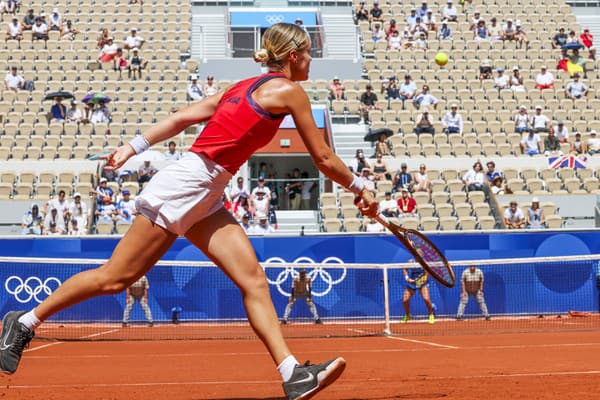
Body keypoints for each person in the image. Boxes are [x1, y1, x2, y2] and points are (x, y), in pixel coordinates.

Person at [0, 25, 373, 398]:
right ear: (293, 56)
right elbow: (323, 157)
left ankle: (292, 372)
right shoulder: (290, 91)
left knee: (253, 279)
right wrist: (361, 188)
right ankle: (25, 321)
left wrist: (133, 147)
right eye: (308, 53)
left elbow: (181, 117)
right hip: (187, 185)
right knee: (115, 278)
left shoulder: (240, 87)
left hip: (207, 194)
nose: (311, 60)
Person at [400, 259, 435, 324]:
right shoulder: (410, 261)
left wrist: (424, 279)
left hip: (423, 283)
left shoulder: (425, 261)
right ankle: (408, 315)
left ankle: (431, 314)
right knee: (405, 300)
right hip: (413, 283)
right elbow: (405, 269)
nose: (418, 255)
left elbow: (428, 271)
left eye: (420, 254)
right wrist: (407, 278)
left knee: (426, 299)